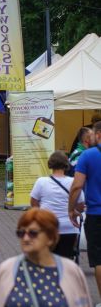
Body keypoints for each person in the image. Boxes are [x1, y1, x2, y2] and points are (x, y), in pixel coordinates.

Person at [0, 208, 92, 307]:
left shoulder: (71, 271)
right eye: (21, 233)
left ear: (50, 237)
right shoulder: (6, 270)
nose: (26, 238)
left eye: (33, 233)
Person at [30, 151, 85, 259]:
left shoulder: (41, 182)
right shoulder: (73, 182)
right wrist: (74, 212)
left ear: (50, 164)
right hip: (69, 227)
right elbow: (81, 204)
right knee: (65, 261)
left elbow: (33, 202)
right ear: (66, 164)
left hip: (46, 227)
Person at [69, 121, 101, 301]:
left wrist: (71, 209)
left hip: (96, 213)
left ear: (98, 135)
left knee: (98, 259)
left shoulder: (88, 156)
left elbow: (76, 186)